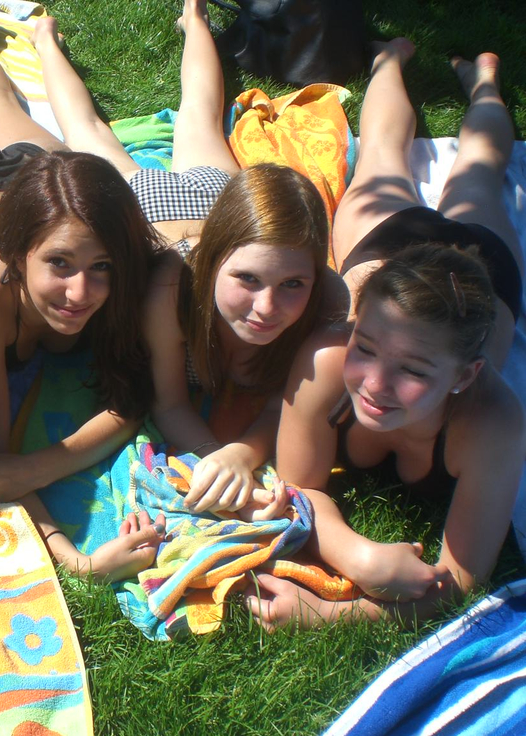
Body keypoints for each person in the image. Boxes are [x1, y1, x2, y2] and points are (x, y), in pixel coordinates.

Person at [248, 46, 526, 629]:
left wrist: (331, 614)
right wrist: (360, 557)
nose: (374, 383)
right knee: (378, 155)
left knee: (481, 168)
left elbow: (462, 580)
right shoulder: (326, 359)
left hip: (482, 267)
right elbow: (295, 488)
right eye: (367, 348)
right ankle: (387, 62)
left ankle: (484, 82)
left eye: (415, 370)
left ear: (466, 375)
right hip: (390, 243)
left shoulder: (493, 421)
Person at [0, 0, 167, 579]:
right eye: (59, 265)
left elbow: (134, 398)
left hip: (46, 176)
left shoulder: (113, 265)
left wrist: (40, 467)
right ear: (17, 255)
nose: (81, 292)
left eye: (101, 267)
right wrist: (73, 558)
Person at [144, 164, 332, 514]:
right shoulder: (172, 287)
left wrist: (241, 455)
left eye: (292, 284)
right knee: (94, 139)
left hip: (226, 200)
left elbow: (283, 408)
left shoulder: (322, 307)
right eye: (248, 278)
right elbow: (168, 404)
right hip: (154, 203)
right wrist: (215, 458)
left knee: (205, 131)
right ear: (213, 262)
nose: (266, 307)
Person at [332, 40, 523, 366]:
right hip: (466, 274)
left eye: (413, 371)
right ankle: (480, 83)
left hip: (479, 274)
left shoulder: (480, 391)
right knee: (387, 155)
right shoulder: (478, 394)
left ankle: (398, 61)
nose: (376, 386)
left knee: (473, 170)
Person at [32, 0, 238, 249]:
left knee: (200, 111)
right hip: (150, 219)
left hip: (210, 212)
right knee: (83, 127)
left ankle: (195, 18)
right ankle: (45, 43)